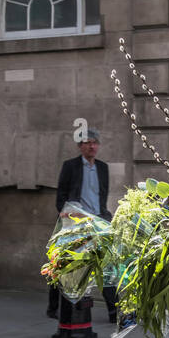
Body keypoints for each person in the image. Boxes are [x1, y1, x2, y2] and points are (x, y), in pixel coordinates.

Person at [48, 128, 118, 323]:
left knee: (105, 266)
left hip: (97, 223)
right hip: (75, 224)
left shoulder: (103, 168)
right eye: (87, 143)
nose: (92, 146)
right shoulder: (70, 166)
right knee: (61, 266)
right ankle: (54, 308)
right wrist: (68, 217)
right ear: (80, 146)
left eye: (95, 143)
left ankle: (114, 311)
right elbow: (61, 196)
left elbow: (101, 196)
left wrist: (105, 217)